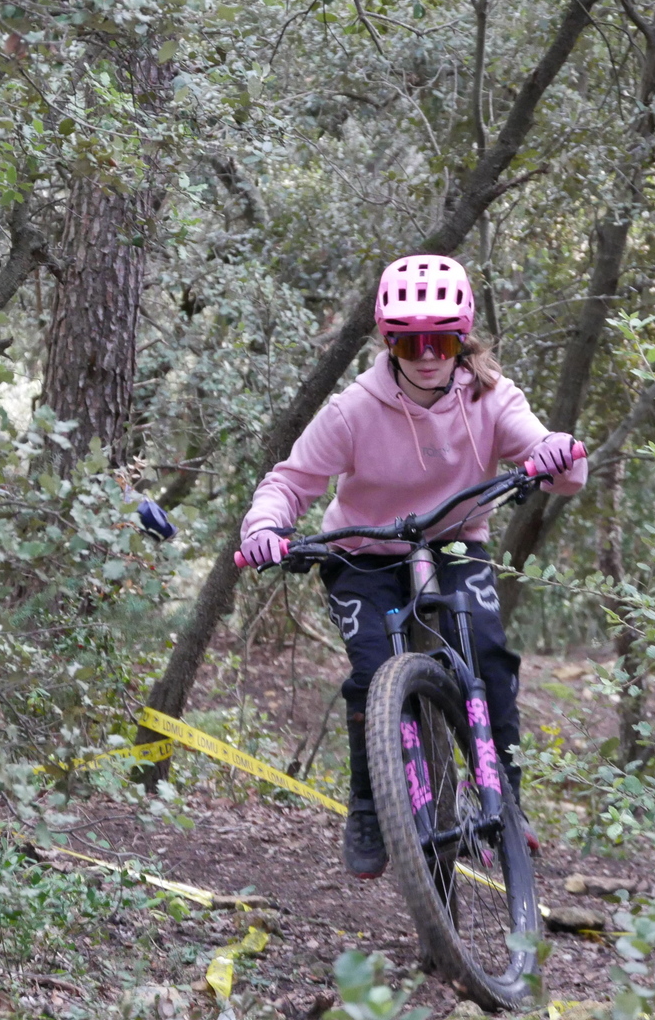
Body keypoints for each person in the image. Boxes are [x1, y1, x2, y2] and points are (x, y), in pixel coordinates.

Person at [237, 255, 586, 878]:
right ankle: (369, 802)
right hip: (362, 554)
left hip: (453, 545)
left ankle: (504, 794)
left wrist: (557, 452)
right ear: (387, 342)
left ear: (462, 340)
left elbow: (555, 463)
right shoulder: (353, 410)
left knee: (488, 654)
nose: (426, 356)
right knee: (373, 674)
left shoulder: (490, 398)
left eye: (441, 341)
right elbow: (289, 482)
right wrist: (264, 529)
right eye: (409, 342)